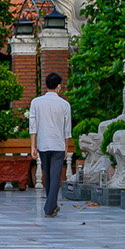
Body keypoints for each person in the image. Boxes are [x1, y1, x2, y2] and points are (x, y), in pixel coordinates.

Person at [30, 72, 72, 217]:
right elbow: (67, 130)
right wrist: (66, 147)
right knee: (54, 177)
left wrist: (32, 146)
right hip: (58, 144)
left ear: (46, 85)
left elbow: (33, 126)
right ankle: (49, 207)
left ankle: (51, 206)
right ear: (59, 86)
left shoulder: (36, 102)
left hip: (43, 144)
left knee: (48, 175)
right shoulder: (64, 104)